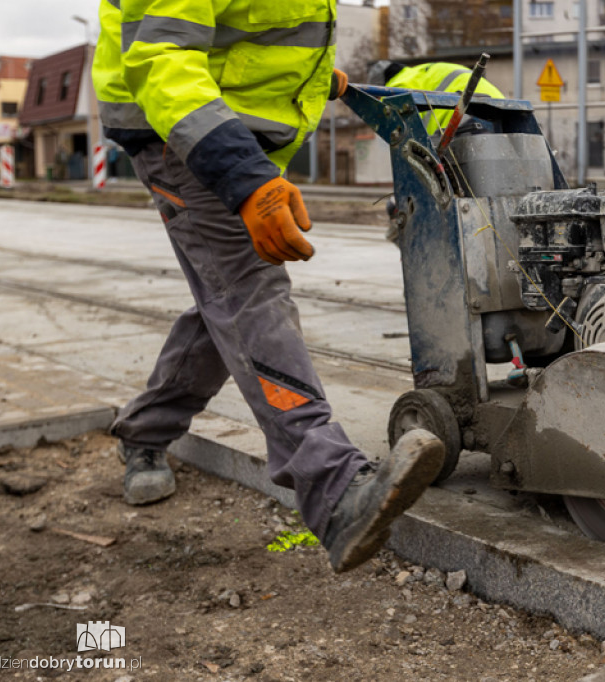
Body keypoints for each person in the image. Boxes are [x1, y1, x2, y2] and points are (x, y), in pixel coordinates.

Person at [91, 0, 444, 573]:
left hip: (235, 137)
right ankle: (334, 493)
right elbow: (161, 57)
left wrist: (314, 77)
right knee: (252, 295)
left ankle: (144, 432)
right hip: (185, 137)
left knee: (225, 303)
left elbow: (254, 27)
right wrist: (243, 177)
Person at [367, 60, 505, 135]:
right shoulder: (419, 72)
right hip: (502, 108)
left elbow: (406, 136)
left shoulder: (394, 87)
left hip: (466, 116)